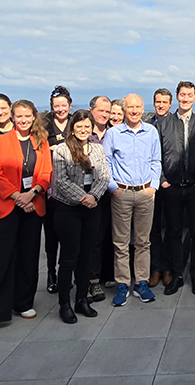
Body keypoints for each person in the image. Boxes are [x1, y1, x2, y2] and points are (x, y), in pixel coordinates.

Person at [0, 100, 52, 338]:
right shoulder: (0, 141)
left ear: (33, 117)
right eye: (18, 116)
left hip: (33, 205)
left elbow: (46, 172)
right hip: (6, 207)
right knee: (0, 260)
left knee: (28, 258)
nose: (23, 120)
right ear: (12, 116)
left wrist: (33, 193)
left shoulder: (40, 141)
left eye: (27, 116)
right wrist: (18, 196)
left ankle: (23, 302)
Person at [156, 81, 195, 295]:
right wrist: (163, 179)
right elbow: (156, 156)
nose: (185, 98)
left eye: (189, 95)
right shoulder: (163, 124)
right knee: (173, 233)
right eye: (182, 94)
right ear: (177, 96)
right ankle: (177, 275)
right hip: (171, 187)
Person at [51, 110, 110, 323]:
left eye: (87, 126)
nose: (83, 130)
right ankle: (64, 303)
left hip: (92, 208)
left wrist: (94, 196)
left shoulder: (97, 149)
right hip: (68, 209)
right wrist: (84, 197)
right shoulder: (61, 150)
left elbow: (104, 176)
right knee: (69, 257)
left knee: (86, 255)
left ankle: (82, 298)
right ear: (72, 127)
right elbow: (60, 181)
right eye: (79, 126)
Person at [103, 94, 161, 307]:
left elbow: (156, 160)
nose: (134, 111)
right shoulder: (113, 133)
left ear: (142, 108)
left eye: (138, 107)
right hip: (122, 193)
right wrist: (113, 188)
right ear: (124, 109)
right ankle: (122, 284)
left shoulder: (151, 132)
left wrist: (153, 186)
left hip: (146, 193)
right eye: (130, 107)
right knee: (120, 242)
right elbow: (106, 162)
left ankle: (142, 283)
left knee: (143, 241)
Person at [42, 85, 73, 295]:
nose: (60, 109)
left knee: (69, 237)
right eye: (56, 106)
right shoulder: (43, 125)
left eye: (64, 105)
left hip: (72, 188)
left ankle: (66, 274)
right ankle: (51, 273)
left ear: (70, 106)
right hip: (49, 190)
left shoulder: (76, 122)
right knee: (51, 236)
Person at [86, 95, 113, 302]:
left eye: (107, 111)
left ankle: (107, 275)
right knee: (92, 238)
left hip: (112, 192)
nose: (104, 115)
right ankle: (92, 281)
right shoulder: (84, 133)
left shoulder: (114, 132)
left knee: (109, 236)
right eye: (100, 111)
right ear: (91, 110)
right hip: (89, 194)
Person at [147, 88, 173, 288]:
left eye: (165, 102)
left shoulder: (176, 124)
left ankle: (168, 268)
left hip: (172, 184)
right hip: (152, 185)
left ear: (170, 104)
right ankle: (156, 268)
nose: (161, 105)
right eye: (158, 101)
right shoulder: (147, 126)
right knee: (153, 229)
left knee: (173, 228)